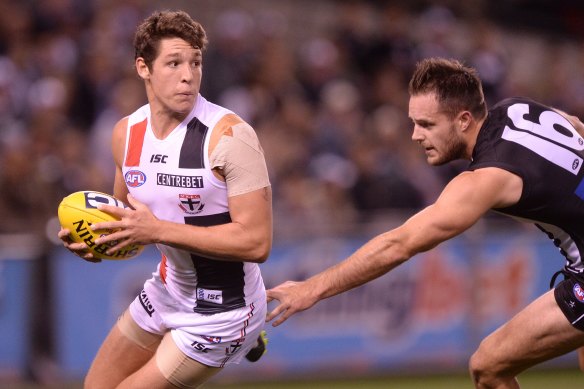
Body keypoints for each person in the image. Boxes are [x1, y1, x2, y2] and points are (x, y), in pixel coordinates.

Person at [266, 57, 584, 388]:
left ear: (463, 120)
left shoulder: (488, 177)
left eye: (428, 125)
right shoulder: (517, 109)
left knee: (488, 366)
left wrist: (311, 288)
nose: (416, 135)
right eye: (413, 122)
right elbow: (573, 123)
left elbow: (399, 244)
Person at [58, 10, 272, 389]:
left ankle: (247, 332)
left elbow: (256, 242)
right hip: (168, 289)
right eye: (173, 62)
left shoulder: (231, 137)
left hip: (224, 309)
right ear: (144, 68)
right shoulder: (126, 134)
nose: (188, 75)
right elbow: (128, 221)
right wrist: (96, 241)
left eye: (195, 62)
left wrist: (157, 229)